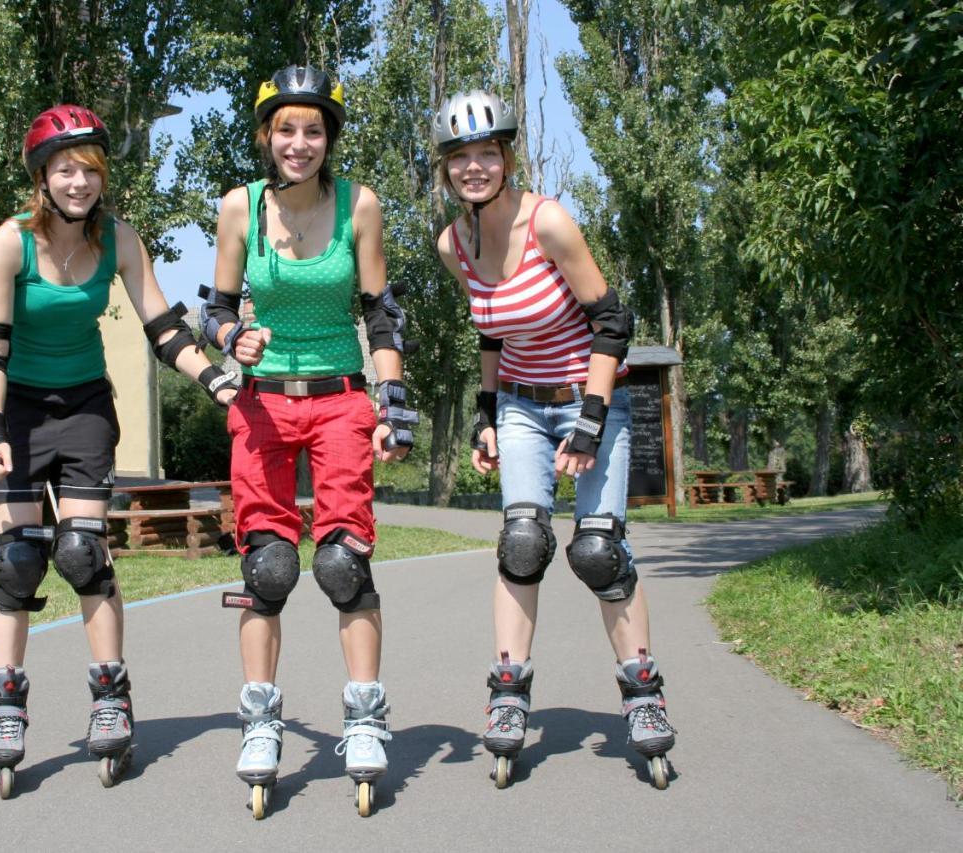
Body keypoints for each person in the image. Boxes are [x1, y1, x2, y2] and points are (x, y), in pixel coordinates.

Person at [0, 104, 238, 799]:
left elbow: (162, 326)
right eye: (64, 169)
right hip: (17, 409)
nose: (78, 181)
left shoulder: (118, 238)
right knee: (18, 558)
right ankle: (5, 703)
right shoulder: (10, 244)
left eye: (89, 169)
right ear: (41, 177)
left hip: (85, 403)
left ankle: (110, 694)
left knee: (83, 552)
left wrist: (209, 376)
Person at [432, 91, 676, 790]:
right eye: (460, 157)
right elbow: (489, 331)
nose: (474, 167)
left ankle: (644, 690)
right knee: (522, 541)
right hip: (519, 403)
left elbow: (613, 321)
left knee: (598, 549)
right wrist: (485, 413)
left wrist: (594, 417)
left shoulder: (549, 222)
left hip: (590, 395)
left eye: (487, 153)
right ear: (446, 169)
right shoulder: (456, 244)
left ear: (507, 158)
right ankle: (508, 692)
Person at [201, 65, 417, 818]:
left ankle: (363, 713)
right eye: (286, 129)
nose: (300, 143)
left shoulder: (360, 204)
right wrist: (235, 336)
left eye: (314, 130)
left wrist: (392, 401)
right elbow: (215, 311)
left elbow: (381, 314)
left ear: (330, 138)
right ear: (266, 136)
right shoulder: (240, 207)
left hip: (340, 399)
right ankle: (262, 719)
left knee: (341, 564)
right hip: (262, 405)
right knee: (267, 566)